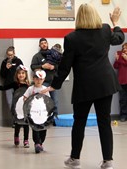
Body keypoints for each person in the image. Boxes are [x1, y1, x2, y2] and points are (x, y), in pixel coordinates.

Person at [41, 4, 124, 169]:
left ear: (79, 17)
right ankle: (108, 161)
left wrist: (54, 85)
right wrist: (115, 22)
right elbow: (119, 38)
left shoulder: (72, 38)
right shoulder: (106, 29)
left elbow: (65, 66)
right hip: (104, 84)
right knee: (104, 122)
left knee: (79, 122)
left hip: (84, 86)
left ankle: (75, 158)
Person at [0, 65, 30, 148]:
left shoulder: (28, 85)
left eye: (23, 73)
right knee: (17, 123)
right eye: (19, 73)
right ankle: (16, 136)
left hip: (25, 107)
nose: (21, 75)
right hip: (17, 107)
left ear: (26, 74)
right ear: (16, 75)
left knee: (26, 124)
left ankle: (26, 140)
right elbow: (4, 87)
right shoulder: (15, 84)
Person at [31, 38, 59, 117]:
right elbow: (33, 67)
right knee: (43, 101)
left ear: (47, 44)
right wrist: (42, 66)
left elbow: (60, 65)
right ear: (39, 45)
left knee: (55, 100)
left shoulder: (54, 54)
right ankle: (44, 117)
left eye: (45, 43)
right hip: (43, 82)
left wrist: (53, 67)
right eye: (42, 43)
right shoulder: (37, 56)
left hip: (53, 81)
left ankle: (55, 118)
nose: (44, 44)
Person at [23, 70, 50, 153]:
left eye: (40, 79)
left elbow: (48, 100)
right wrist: (27, 100)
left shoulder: (45, 89)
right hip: (33, 113)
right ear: (33, 79)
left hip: (43, 113)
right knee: (35, 128)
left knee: (43, 129)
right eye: (37, 78)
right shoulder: (30, 89)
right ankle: (37, 143)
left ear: (43, 80)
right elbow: (24, 97)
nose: (39, 81)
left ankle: (41, 142)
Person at [0, 46, 23, 126]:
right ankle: (15, 120)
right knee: (10, 103)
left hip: (18, 85)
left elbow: (23, 72)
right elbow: (2, 75)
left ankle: (20, 120)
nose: (10, 57)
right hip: (8, 85)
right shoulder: (4, 62)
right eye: (9, 55)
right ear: (7, 55)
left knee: (18, 102)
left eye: (11, 55)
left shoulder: (18, 61)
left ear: (14, 54)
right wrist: (6, 68)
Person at [113, 43, 127, 122]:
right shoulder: (120, 55)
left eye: (126, 48)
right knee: (123, 99)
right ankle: (123, 115)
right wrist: (117, 59)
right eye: (123, 48)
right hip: (122, 81)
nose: (124, 50)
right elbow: (116, 66)